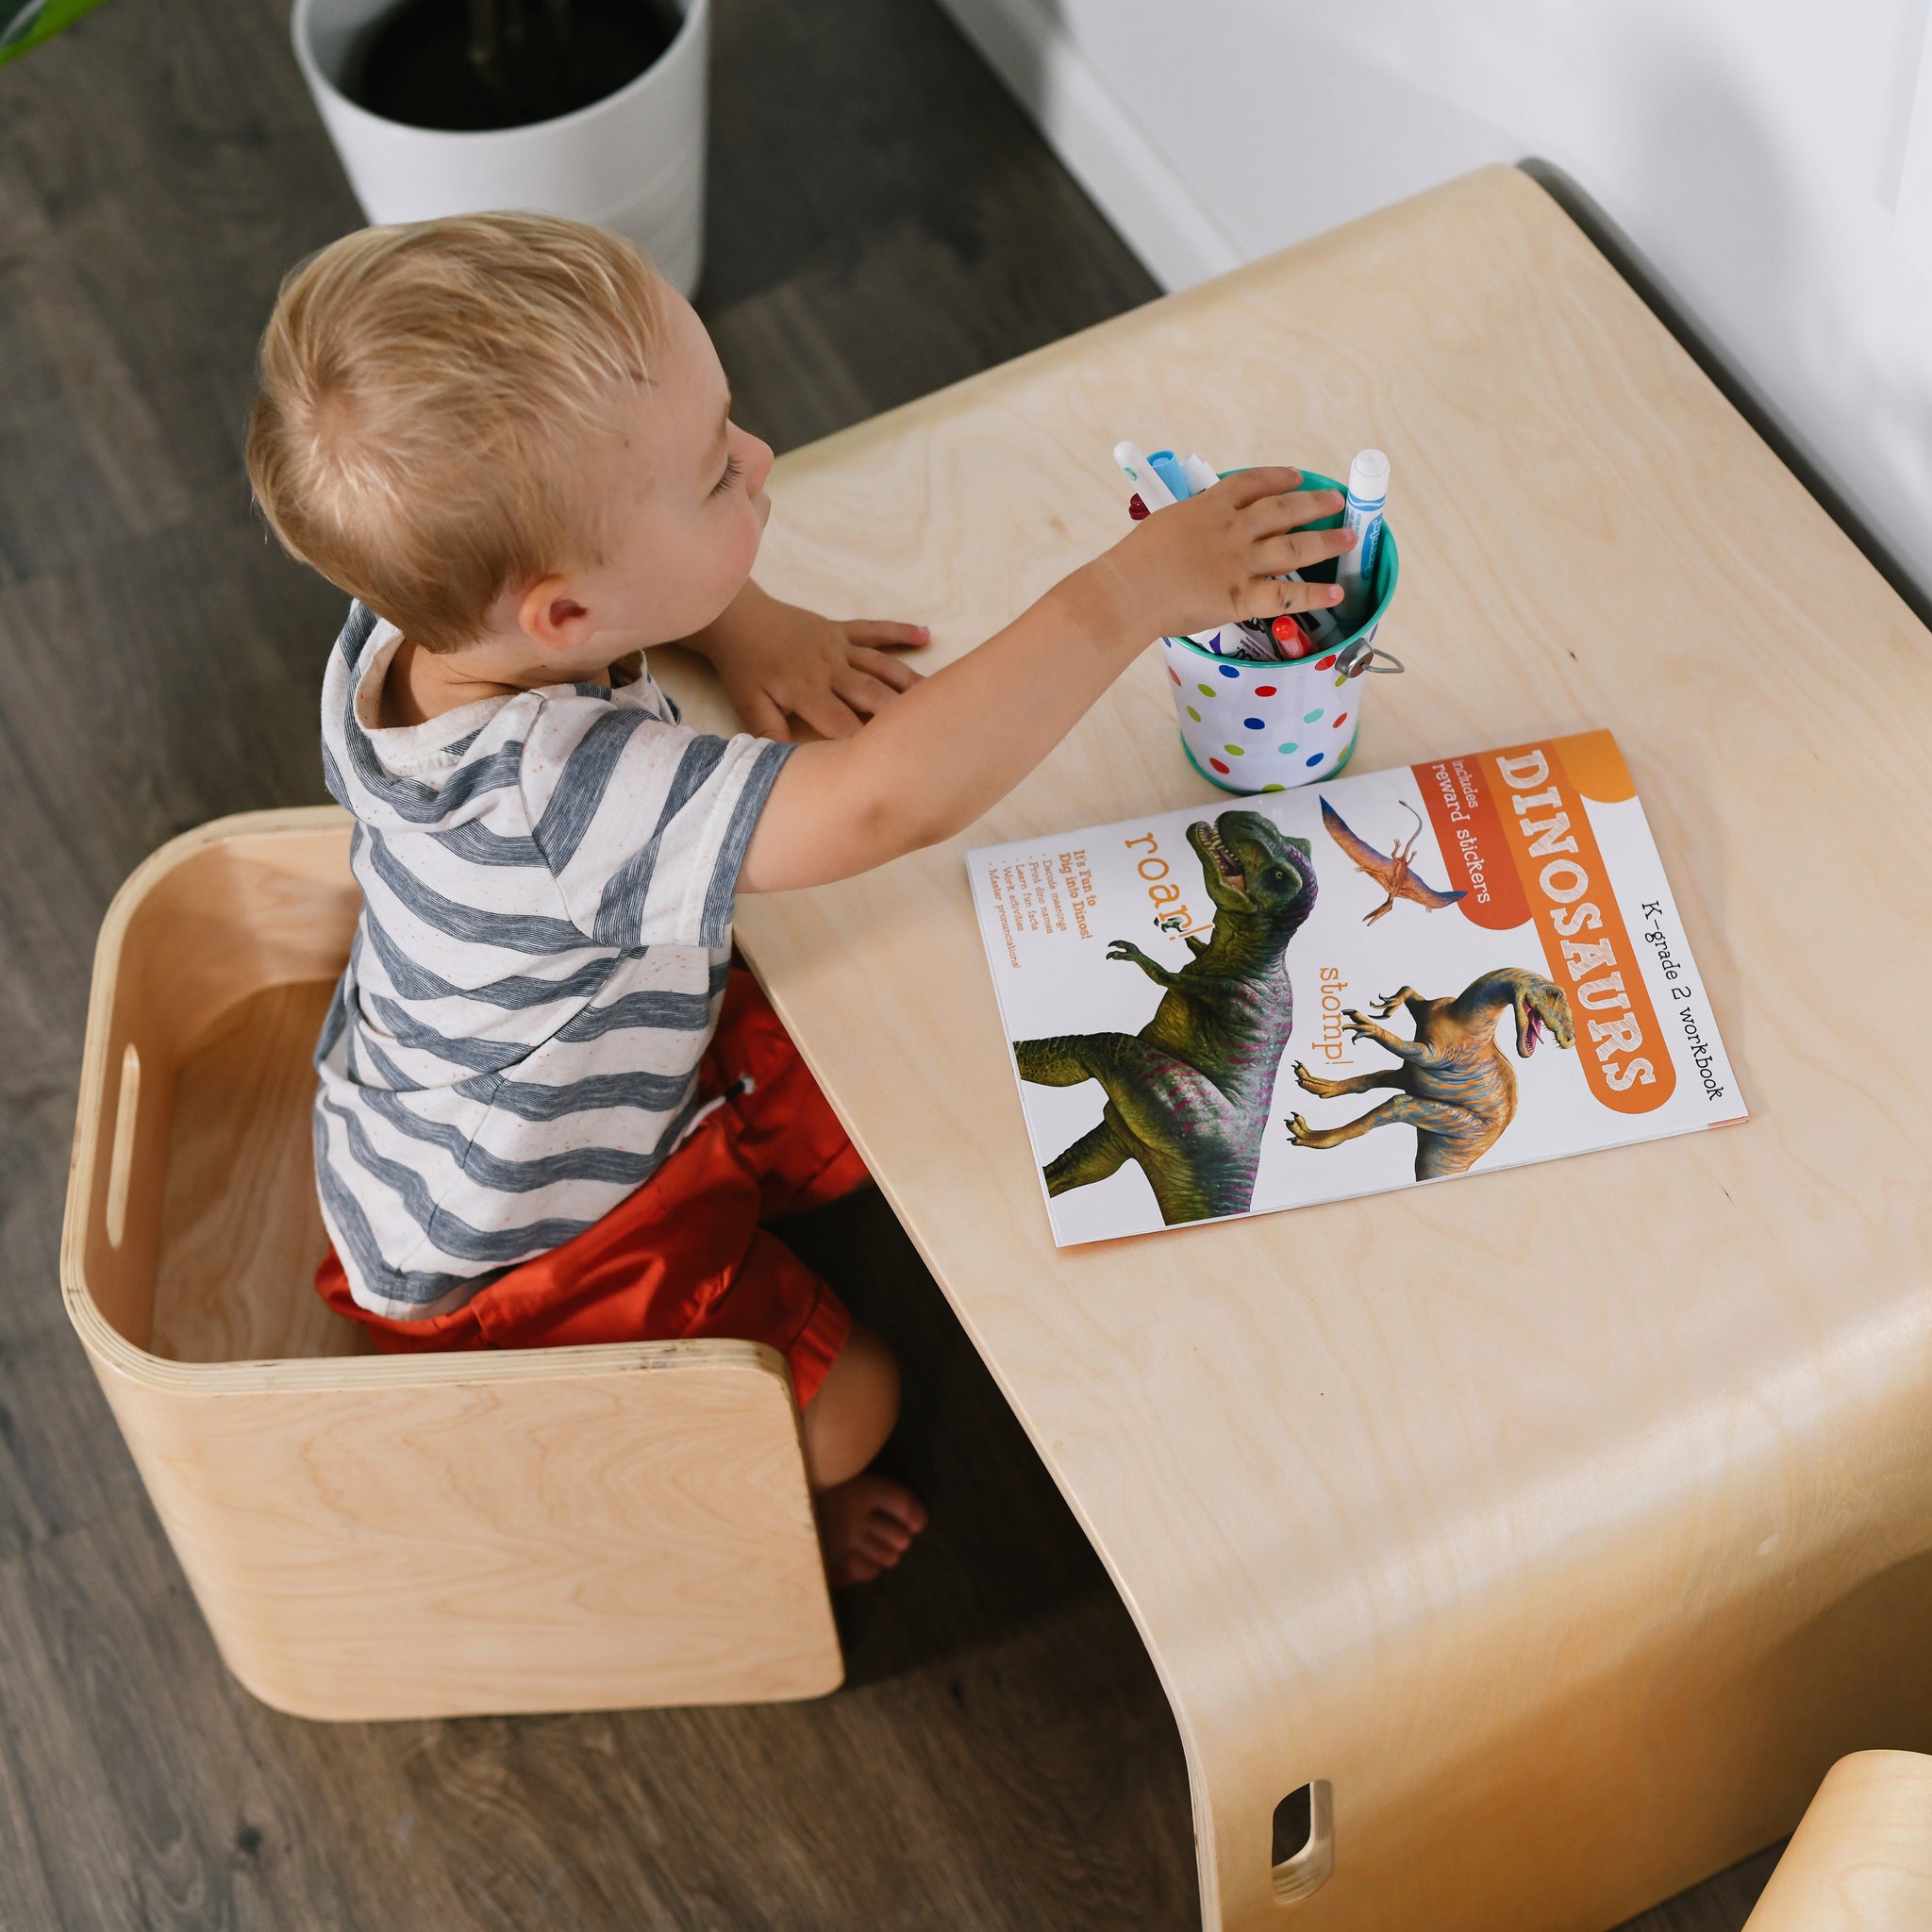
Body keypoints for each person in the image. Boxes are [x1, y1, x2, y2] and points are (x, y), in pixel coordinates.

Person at [245, 212, 1351, 1586]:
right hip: (536, 1237)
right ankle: (776, 1531)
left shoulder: (413, 617)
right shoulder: (558, 799)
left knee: (933, 1048)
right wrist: (1126, 595)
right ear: (565, 620)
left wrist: (742, 616)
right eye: (717, 474)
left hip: (508, 1083)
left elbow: (605, 595)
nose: (762, 460)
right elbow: (884, 801)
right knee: (860, 1407)